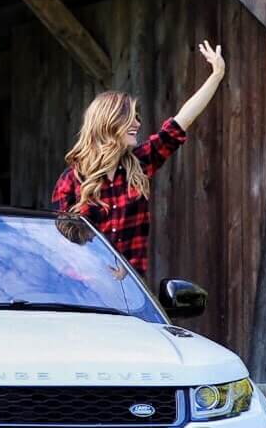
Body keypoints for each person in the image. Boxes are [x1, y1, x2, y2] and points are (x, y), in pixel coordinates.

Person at [51, 42, 226, 279]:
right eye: (130, 118)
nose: (138, 124)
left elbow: (181, 121)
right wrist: (97, 271)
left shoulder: (140, 163)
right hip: (85, 291)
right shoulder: (71, 181)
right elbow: (60, 246)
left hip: (130, 292)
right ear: (109, 122)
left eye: (137, 118)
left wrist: (217, 75)